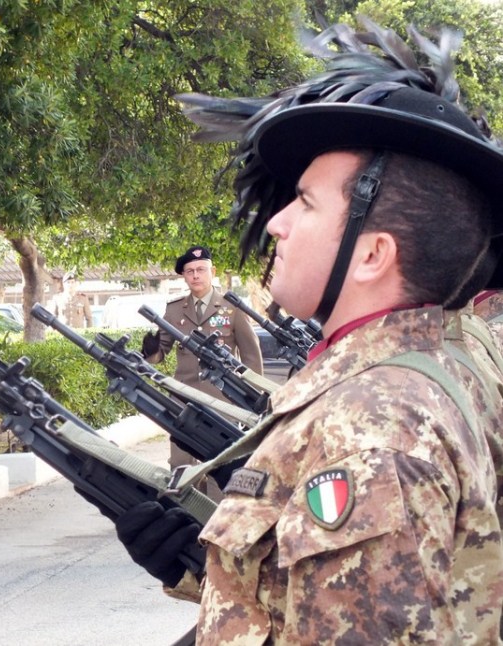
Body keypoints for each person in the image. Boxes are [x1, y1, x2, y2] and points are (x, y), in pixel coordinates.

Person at [111, 20, 503, 644]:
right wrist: (202, 570)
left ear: (373, 254)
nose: (277, 224)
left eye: (306, 203)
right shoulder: (424, 368)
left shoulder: (375, 421)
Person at [141, 245, 262, 474]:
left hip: (222, 400)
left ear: (212, 272)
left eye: (201, 269)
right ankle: (187, 510)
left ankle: (217, 510)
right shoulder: (174, 310)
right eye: (190, 271)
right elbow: (159, 356)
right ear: (184, 276)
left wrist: (252, 400)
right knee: (180, 465)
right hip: (184, 398)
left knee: (221, 465)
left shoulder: (231, 308)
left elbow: (251, 356)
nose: (196, 275)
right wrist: (150, 351)